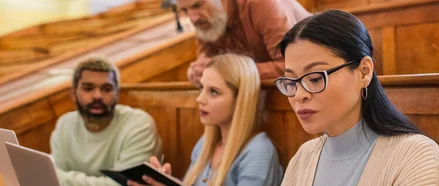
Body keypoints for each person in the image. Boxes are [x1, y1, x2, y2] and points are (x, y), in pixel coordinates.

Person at [274, 10, 439, 185]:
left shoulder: (415, 154)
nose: (299, 95)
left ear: (364, 72)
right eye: (291, 81)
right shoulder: (304, 156)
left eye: (315, 79)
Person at [128, 53, 282, 186]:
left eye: (214, 92)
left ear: (240, 99)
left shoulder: (258, 151)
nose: (200, 99)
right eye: (201, 88)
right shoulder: (205, 144)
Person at [50, 57, 162, 185]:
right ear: (73, 94)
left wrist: (63, 179)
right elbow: (51, 177)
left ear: (117, 93)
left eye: (107, 89)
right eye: (88, 88)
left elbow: (125, 184)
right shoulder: (65, 124)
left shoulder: (139, 125)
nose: (97, 96)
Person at [178, 0, 311, 85]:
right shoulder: (206, 22)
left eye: (197, 5)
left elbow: (292, 67)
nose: (192, 18)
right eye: (185, 10)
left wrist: (233, 72)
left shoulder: (262, 4)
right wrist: (196, 71)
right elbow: (206, 60)